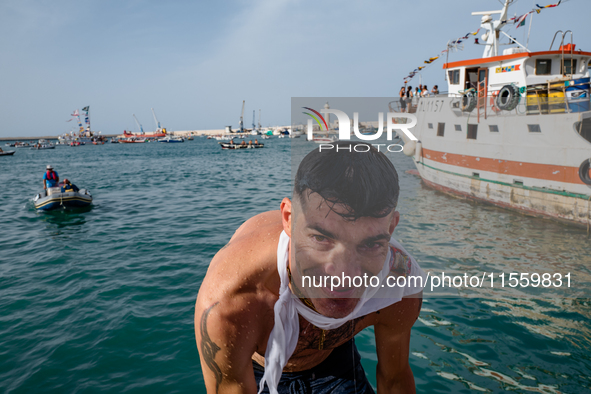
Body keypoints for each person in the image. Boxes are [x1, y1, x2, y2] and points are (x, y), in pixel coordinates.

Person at [195, 142, 425, 394]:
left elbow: (395, 379)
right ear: (289, 221)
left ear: (391, 228)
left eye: (369, 244)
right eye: (321, 238)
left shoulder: (399, 283)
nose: (343, 276)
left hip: (334, 361)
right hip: (260, 370)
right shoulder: (232, 300)